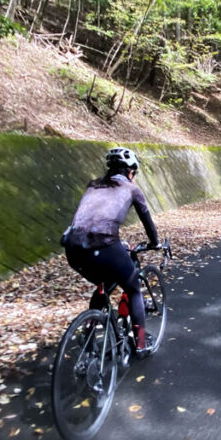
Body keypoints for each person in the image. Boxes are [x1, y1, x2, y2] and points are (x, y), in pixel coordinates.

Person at [61, 147, 160, 356]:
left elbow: (91, 220)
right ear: (131, 172)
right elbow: (148, 222)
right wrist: (155, 242)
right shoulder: (132, 190)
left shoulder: (94, 185)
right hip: (103, 246)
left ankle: (88, 334)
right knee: (133, 287)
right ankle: (141, 344)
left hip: (72, 249)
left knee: (103, 285)